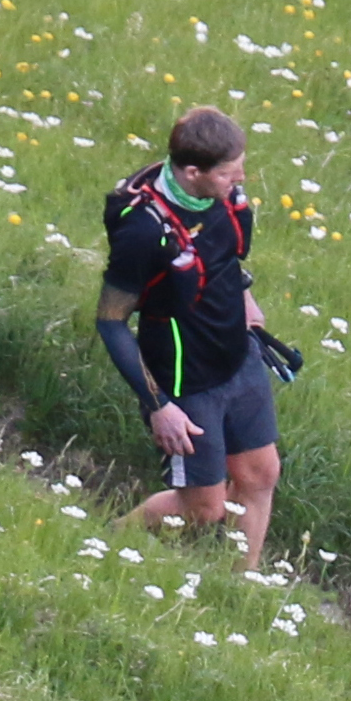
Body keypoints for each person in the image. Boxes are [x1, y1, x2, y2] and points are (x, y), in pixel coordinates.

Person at [99, 108, 283, 573]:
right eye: (228, 171)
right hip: (185, 380)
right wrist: (158, 404)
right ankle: (108, 539)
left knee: (260, 476)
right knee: (205, 508)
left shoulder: (224, 195)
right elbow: (111, 321)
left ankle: (244, 583)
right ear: (192, 172)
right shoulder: (143, 233)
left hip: (238, 357)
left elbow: (220, 254)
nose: (239, 177)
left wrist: (244, 294)